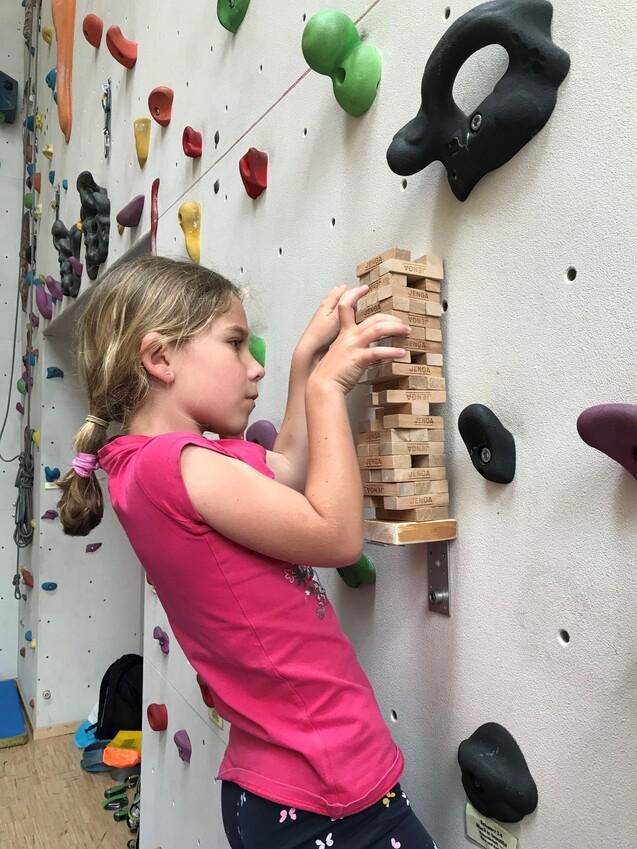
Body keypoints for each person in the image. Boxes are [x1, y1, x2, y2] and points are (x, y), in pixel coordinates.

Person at [56, 255, 440, 849]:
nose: (251, 366)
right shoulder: (174, 465)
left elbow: (283, 469)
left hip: (281, 784)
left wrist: (302, 367)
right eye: (235, 344)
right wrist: (326, 390)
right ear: (159, 358)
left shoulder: (154, 466)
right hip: (324, 786)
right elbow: (337, 536)